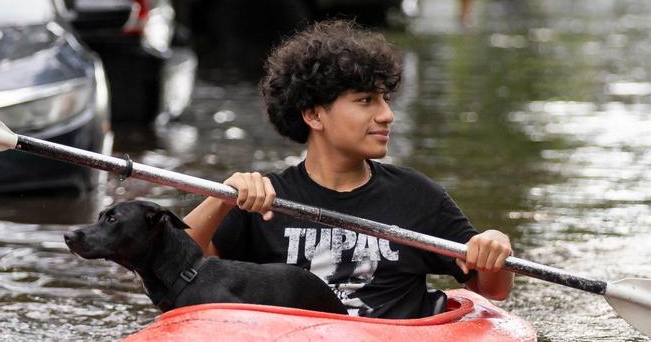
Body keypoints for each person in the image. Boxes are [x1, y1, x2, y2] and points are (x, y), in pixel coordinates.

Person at [183, 20, 514, 318]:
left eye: (385, 99)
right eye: (366, 100)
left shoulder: (416, 195)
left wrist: (494, 244)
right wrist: (221, 198)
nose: (387, 114)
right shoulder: (262, 199)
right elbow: (178, 265)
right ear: (314, 116)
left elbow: (492, 289)